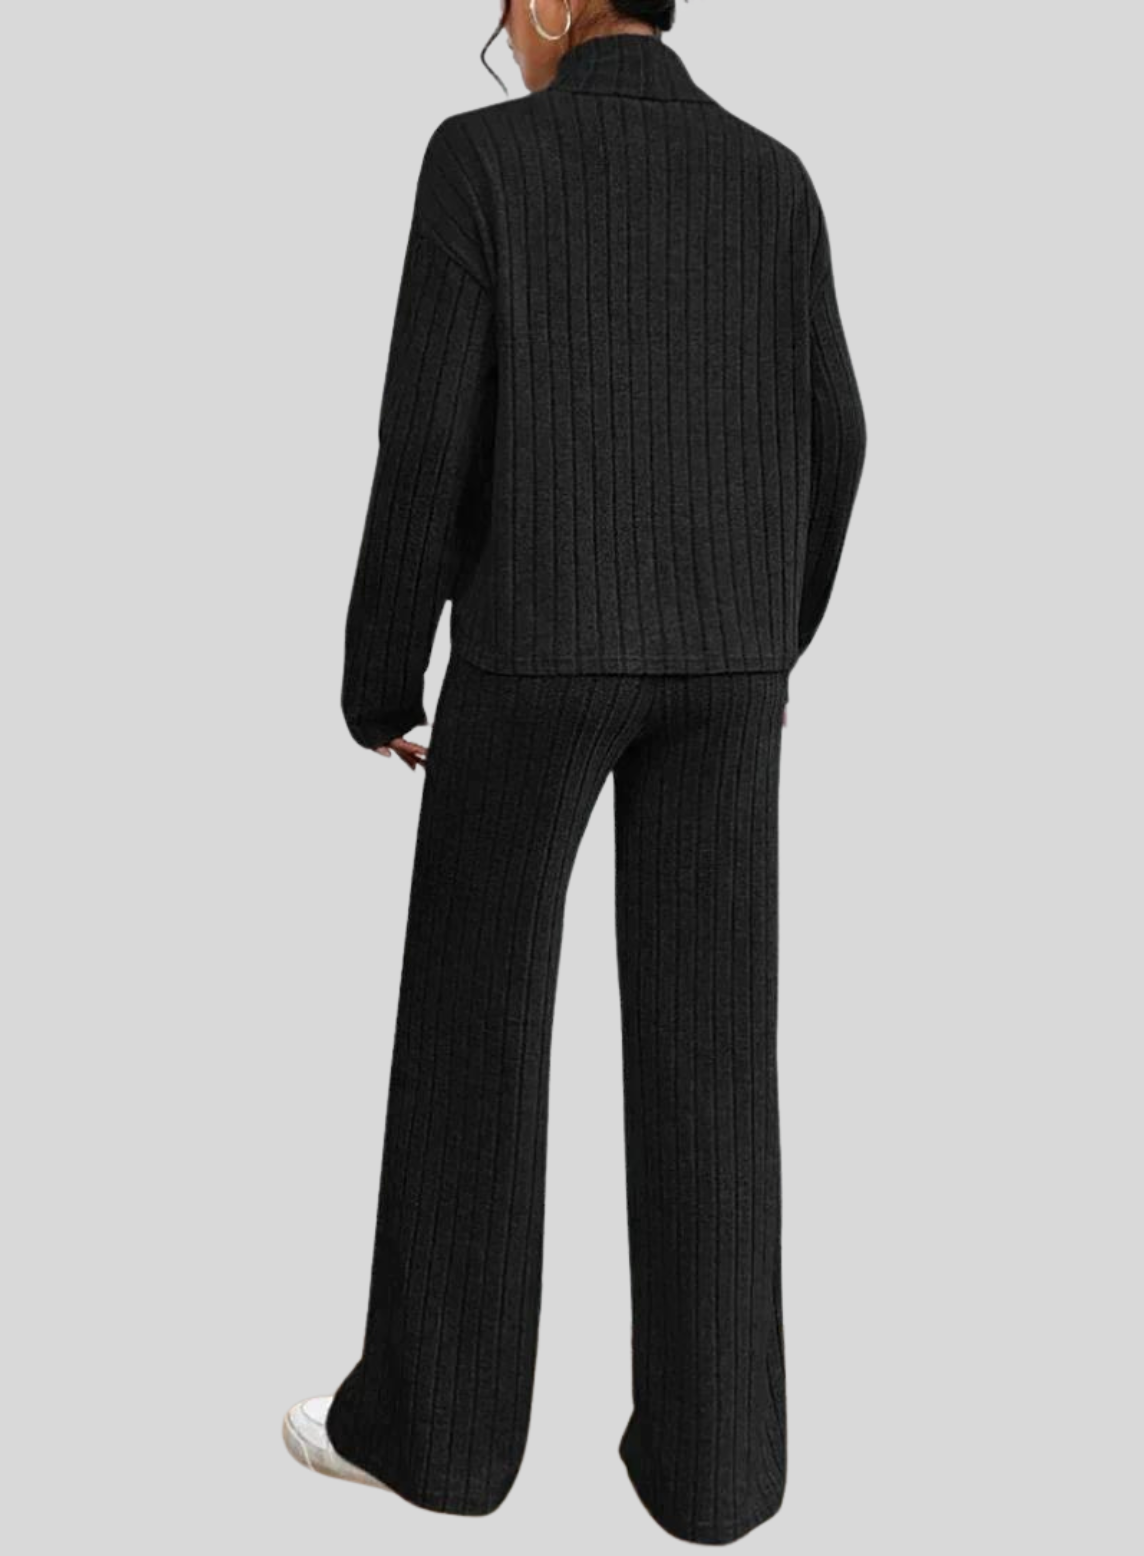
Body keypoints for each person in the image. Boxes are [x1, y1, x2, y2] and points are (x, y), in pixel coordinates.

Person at [283, 0, 866, 1543]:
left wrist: (378, 678)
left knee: (472, 1032)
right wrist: (763, 641)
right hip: (728, 674)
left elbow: (427, 441)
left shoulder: (482, 161)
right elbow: (838, 434)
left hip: (536, 656)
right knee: (713, 1056)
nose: (505, 32)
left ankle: (437, 1439)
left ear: (552, 1)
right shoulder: (772, 178)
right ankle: (717, 1473)